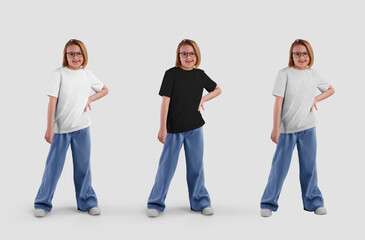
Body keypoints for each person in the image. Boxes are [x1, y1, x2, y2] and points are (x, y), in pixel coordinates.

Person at [34, 39, 109, 217]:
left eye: (78, 53)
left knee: (83, 167)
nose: (75, 57)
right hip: (61, 130)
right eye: (71, 54)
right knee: (53, 168)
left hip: (82, 128)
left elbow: (105, 89)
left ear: (84, 55)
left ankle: (87, 201)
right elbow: (52, 102)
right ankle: (43, 202)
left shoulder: (87, 74)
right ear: (65, 56)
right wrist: (49, 128)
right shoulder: (59, 74)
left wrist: (90, 99)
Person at [147, 39, 222, 217]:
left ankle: (200, 201)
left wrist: (203, 99)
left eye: (191, 53)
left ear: (197, 55)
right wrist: (162, 128)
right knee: (166, 167)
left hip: (195, 128)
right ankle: (156, 203)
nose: (188, 57)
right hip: (173, 129)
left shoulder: (200, 74)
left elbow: (218, 89)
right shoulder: (171, 74)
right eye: (184, 54)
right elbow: (165, 102)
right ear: (178, 56)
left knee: (196, 166)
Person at [260, 39, 335, 217]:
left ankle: (313, 201)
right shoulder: (284, 73)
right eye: (297, 54)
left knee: (309, 167)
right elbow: (278, 102)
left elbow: (331, 89)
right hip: (286, 129)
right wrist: (275, 128)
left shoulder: (313, 74)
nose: (301, 57)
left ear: (310, 55)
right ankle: (268, 202)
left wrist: (316, 99)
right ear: (291, 56)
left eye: (304, 53)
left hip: (308, 128)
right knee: (279, 168)